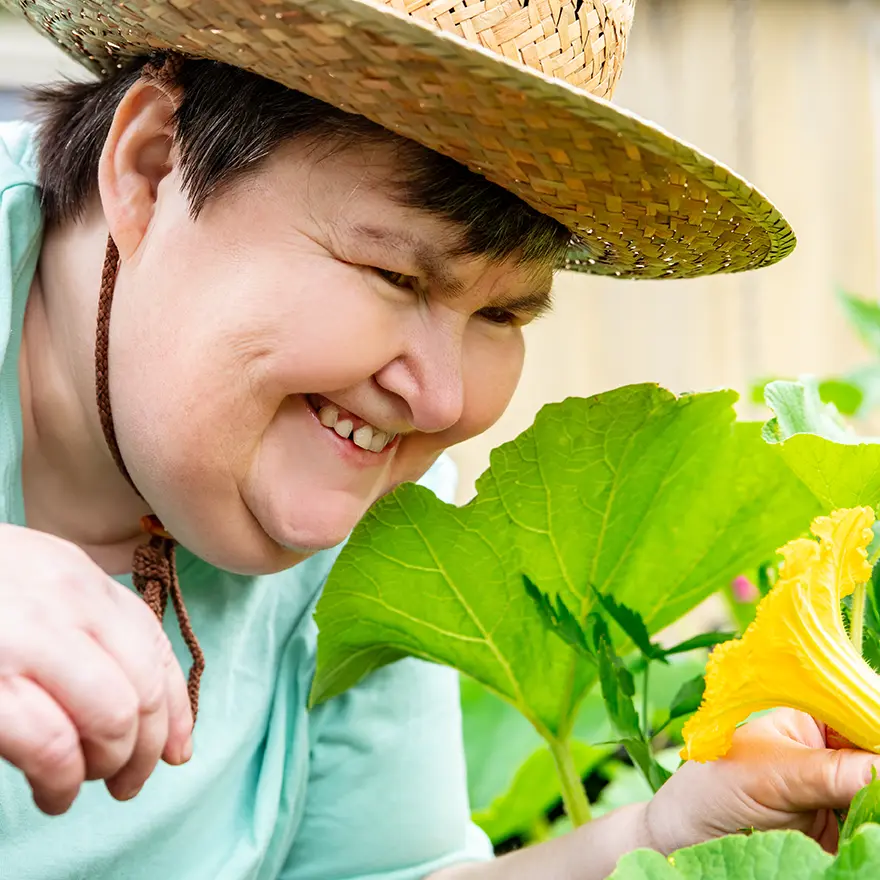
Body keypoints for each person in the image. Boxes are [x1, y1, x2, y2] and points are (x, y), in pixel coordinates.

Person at [0, 1, 871, 878]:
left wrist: (660, 841)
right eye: (394, 273)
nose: (441, 399)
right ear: (151, 168)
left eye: (500, 312)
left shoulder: (365, 489)